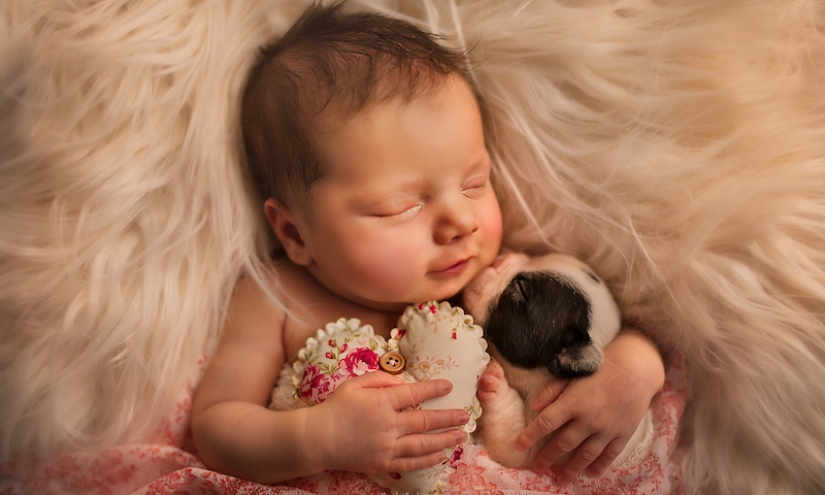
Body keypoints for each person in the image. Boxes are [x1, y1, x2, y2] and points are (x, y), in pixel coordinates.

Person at [190, 2, 665, 488]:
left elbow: (606, 324)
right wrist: (316, 436)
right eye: (400, 207)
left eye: (475, 184)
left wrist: (633, 369)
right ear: (294, 233)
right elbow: (216, 424)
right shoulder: (277, 297)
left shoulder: (483, 287)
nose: (459, 222)